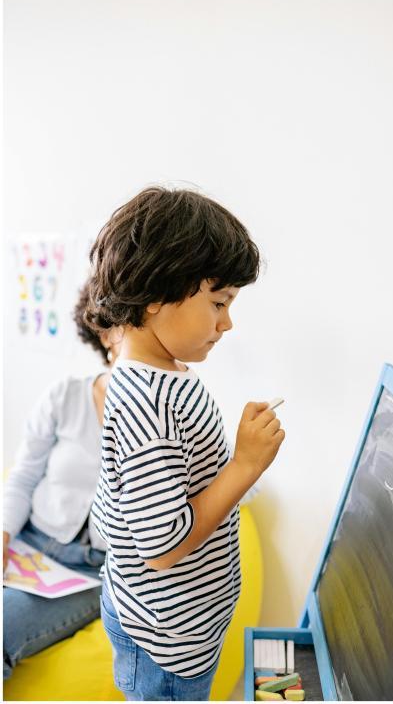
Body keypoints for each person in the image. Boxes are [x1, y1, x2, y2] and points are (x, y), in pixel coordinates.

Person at [84, 186, 285, 701]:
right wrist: (244, 465)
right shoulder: (144, 398)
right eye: (218, 303)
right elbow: (163, 546)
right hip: (164, 643)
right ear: (156, 296)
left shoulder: (167, 372)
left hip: (173, 625)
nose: (228, 322)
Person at [3, 283, 123, 680]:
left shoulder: (171, 414)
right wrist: (3, 535)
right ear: (104, 332)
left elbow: (237, 481)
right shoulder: (64, 396)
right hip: (29, 541)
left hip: (93, 572)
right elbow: (22, 476)